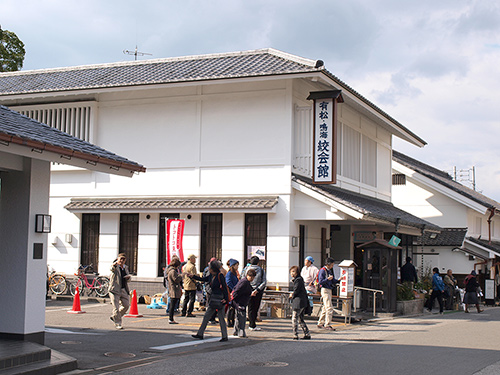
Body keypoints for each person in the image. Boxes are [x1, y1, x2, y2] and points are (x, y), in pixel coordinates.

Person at [189, 260, 229, 341]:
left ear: (213, 268)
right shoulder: (211, 275)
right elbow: (203, 279)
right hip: (213, 298)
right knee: (206, 316)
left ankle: (224, 336)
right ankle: (200, 334)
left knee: (221, 318)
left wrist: (226, 299)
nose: (209, 268)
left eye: (210, 267)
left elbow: (225, 287)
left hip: (220, 299)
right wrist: (193, 276)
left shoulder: (220, 275)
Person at [317, 257, 342, 331]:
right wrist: (327, 279)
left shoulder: (328, 270)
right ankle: (327, 324)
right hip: (325, 289)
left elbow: (333, 280)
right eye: (332, 265)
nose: (332, 266)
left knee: (325, 307)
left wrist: (338, 280)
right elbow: (320, 282)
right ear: (328, 264)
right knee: (329, 308)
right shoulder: (322, 271)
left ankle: (320, 322)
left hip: (328, 289)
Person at [243, 256, 266, 331]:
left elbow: (243, 278)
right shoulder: (261, 270)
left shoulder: (246, 269)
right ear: (258, 263)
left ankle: (251, 324)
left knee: (250, 307)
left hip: (248, 290)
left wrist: (249, 288)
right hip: (258, 291)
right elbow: (264, 281)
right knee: (256, 307)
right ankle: (253, 324)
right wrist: (257, 289)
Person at [109, 253, 131, 330]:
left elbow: (128, 278)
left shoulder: (125, 268)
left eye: (124, 259)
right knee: (116, 307)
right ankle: (118, 323)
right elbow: (112, 269)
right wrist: (114, 265)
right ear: (117, 259)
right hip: (115, 289)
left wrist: (128, 278)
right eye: (121, 259)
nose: (122, 260)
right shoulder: (115, 266)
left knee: (126, 305)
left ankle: (115, 317)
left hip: (123, 289)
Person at [231, 268, 256, 338]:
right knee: (242, 317)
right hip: (240, 302)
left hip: (241, 302)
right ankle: (241, 333)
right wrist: (234, 299)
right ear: (247, 275)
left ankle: (236, 331)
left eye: (253, 277)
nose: (252, 278)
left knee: (239, 317)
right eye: (251, 277)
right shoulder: (244, 282)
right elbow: (236, 291)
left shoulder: (246, 282)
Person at [289, 266, 311, 340]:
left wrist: (292, 295)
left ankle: (295, 334)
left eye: (293, 272)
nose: (292, 273)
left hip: (298, 302)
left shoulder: (298, 280)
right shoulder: (299, 279)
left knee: (294, 318)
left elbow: (296, 290)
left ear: (297, 272)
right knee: (300, 318)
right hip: (303, 301)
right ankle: (307, 333)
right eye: (291, 272)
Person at [166, 258, 183, 324]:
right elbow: (176, 279)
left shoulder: (170, 270)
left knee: (172, 304)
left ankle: (171, 318)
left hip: (172, 288)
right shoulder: (172, 271)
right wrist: (181, 276)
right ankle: (171, 318)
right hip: (174, 289)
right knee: (172, 305)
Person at [226, 258, 240, 327]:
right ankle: (229, 321)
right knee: (230, 307)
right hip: (231, 292)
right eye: (236, 265)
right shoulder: (229, 274)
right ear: (233, 266)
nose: (237, 267)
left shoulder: (234, 274)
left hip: (235, 292)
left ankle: (232, 320)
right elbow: (228, 283)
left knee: (233, 307)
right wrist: (233, 289)